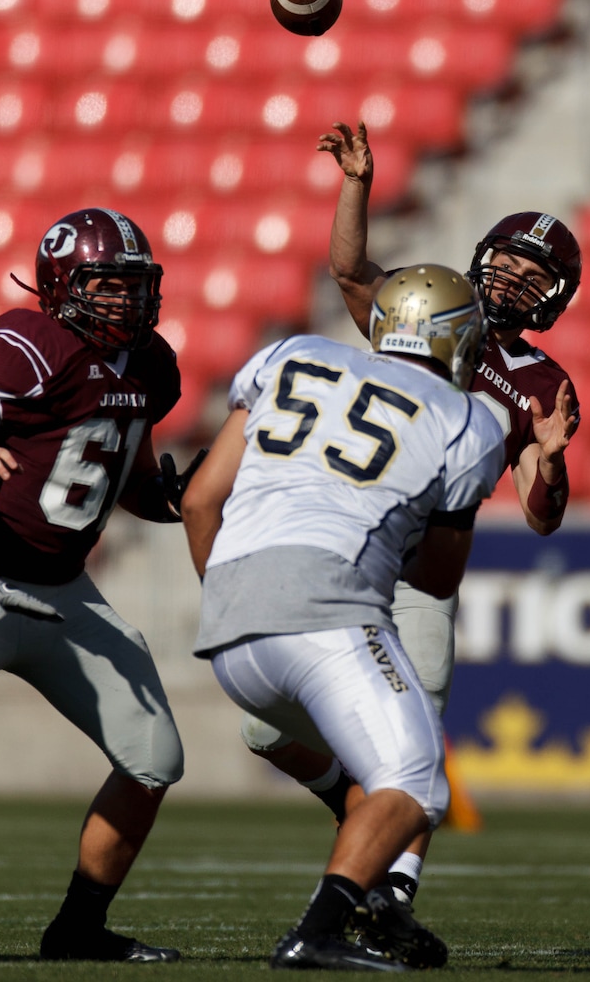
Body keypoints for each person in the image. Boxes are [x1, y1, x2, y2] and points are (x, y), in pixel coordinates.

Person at [240, 120, 582, 912]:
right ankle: (352, 801)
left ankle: (393, 893)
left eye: (536, 279)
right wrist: (356, 185)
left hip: (425, 566)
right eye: (509, 265)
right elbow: (351, 270)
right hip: (347, 544)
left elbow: (540, 516)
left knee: (417, 736)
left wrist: (553, 458)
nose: (514, 284)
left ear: (555, 300)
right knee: (264, 728)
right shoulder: (428, 306)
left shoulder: (541, 384)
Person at [181, 264, 505, 971]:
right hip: (327, 612)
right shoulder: (469, 419)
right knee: (417, 783)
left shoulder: (293, 354)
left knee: (376, 769)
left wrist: (235, 597)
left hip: (232, 630)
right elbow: (439, 576)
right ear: (457, 339)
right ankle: (322, 929)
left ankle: (367, 885)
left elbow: (201, 499)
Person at [0, 206, 204, 962]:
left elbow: (134, 482)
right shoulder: (28, 344)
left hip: (63, 591)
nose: (125, 302)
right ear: (60, 284)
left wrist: (190, 496)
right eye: (107, 285)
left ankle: (77, 930)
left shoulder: (149, 367)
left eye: (136, 287)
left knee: (154, 757)